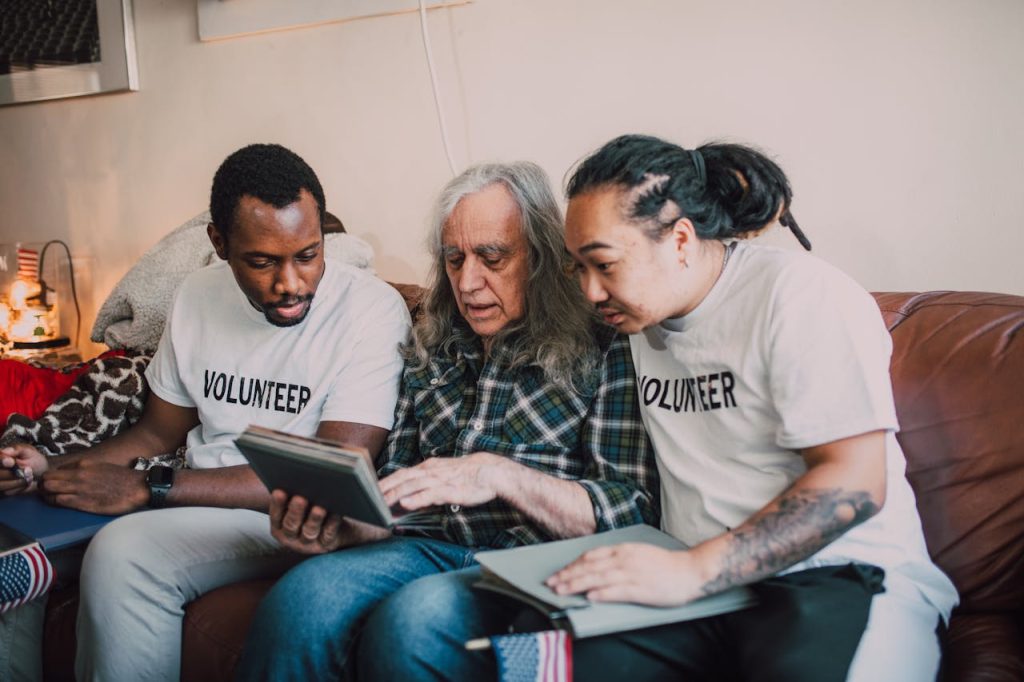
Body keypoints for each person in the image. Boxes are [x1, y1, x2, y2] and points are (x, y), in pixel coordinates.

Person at [539, 134, 959, 681]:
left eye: (604, 265)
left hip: (836, 575)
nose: (591, 292)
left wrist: (694, 570)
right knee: (540, 664)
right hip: (701, 596)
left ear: (682, 240)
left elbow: (855, 483)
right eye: (578, 268)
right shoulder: (641, 319)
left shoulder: (801, 296)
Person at [0, 143, 411, 682]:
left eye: (308, 255)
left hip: (279, 519)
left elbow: (328, 473)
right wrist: (55, 467)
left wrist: (155, 488)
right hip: (181, 499)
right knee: (15, 542)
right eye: (262, 262)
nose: (291, 283)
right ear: (219, 243)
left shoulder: (371, 310)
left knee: (125, 553)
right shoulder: (196, 297)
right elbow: (154, 433)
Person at [234, 161, 659, 681]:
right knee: (301, 598)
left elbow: (632, 508)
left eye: (492, 258)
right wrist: (345, 526)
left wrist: (503, 476)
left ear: (544, 257)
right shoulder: (434, 340)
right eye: (454, 260)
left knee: (416, 620)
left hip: (533, 558)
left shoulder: (607, 341)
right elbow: (395, 490)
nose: (468, 282)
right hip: (427, 545)